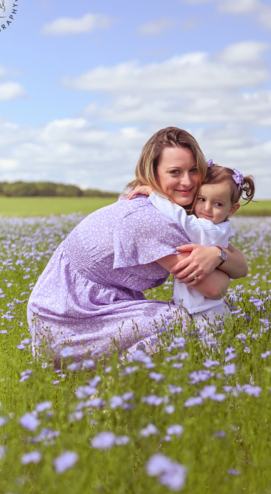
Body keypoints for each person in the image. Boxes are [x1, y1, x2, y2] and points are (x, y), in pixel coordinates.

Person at [27, 127, 248, 364]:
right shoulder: (148, 219)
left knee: (199, 317)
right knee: (183, 321)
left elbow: (242, 267)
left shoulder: (171, 209)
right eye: (175, 172)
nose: (187, 181)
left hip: (86, 309)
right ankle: (106, 393)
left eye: (193, 170)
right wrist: (221, 261)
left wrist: (217, 254)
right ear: (153, 172)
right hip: (67, 320)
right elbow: (215, 289)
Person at [125, 161, 255, 322]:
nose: (207, 208)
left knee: (208, 345)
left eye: (218, 204)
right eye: (201, 199)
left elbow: (180, 218)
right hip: (203, 305)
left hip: (205, 310)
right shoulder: (220, 227)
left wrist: (154, 194)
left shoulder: (208, 229)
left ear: (232, 209)